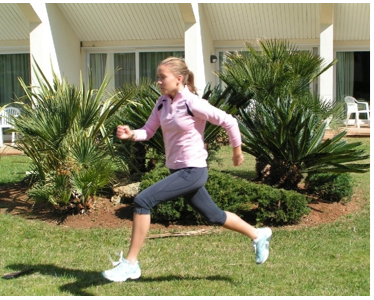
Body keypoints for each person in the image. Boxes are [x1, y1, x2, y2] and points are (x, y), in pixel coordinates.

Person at [102, 57, 273, 282]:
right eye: (158, 77)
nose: (158, 81)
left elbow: (229, 121)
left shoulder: (193, 103)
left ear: (179, 79)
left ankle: (131, 264)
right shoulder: (161, 103)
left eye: (163, 77)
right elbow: (148, 131)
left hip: (193, 171)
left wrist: (237, 152)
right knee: (214, 215)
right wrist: (131, 134)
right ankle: (257, 234)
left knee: (143, 201)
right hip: (178, 170)